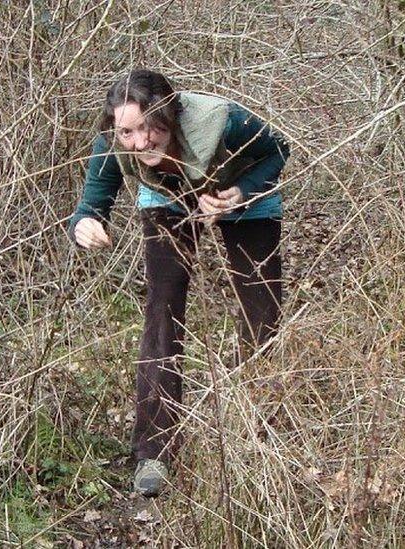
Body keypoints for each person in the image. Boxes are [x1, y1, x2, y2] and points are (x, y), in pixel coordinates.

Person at [68, 69, 288, 497]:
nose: (141, 142)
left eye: (152, 127)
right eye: (129, 131)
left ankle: (257, 434)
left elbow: (278, 149)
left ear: (170, 113)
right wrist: (85, 223)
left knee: (261, 311)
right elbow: (93, 200)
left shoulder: (223, 120)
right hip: (167, 197)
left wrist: (240, 191)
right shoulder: (115, 135)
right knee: (162, 310)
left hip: (239, 191)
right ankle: (155, 452)